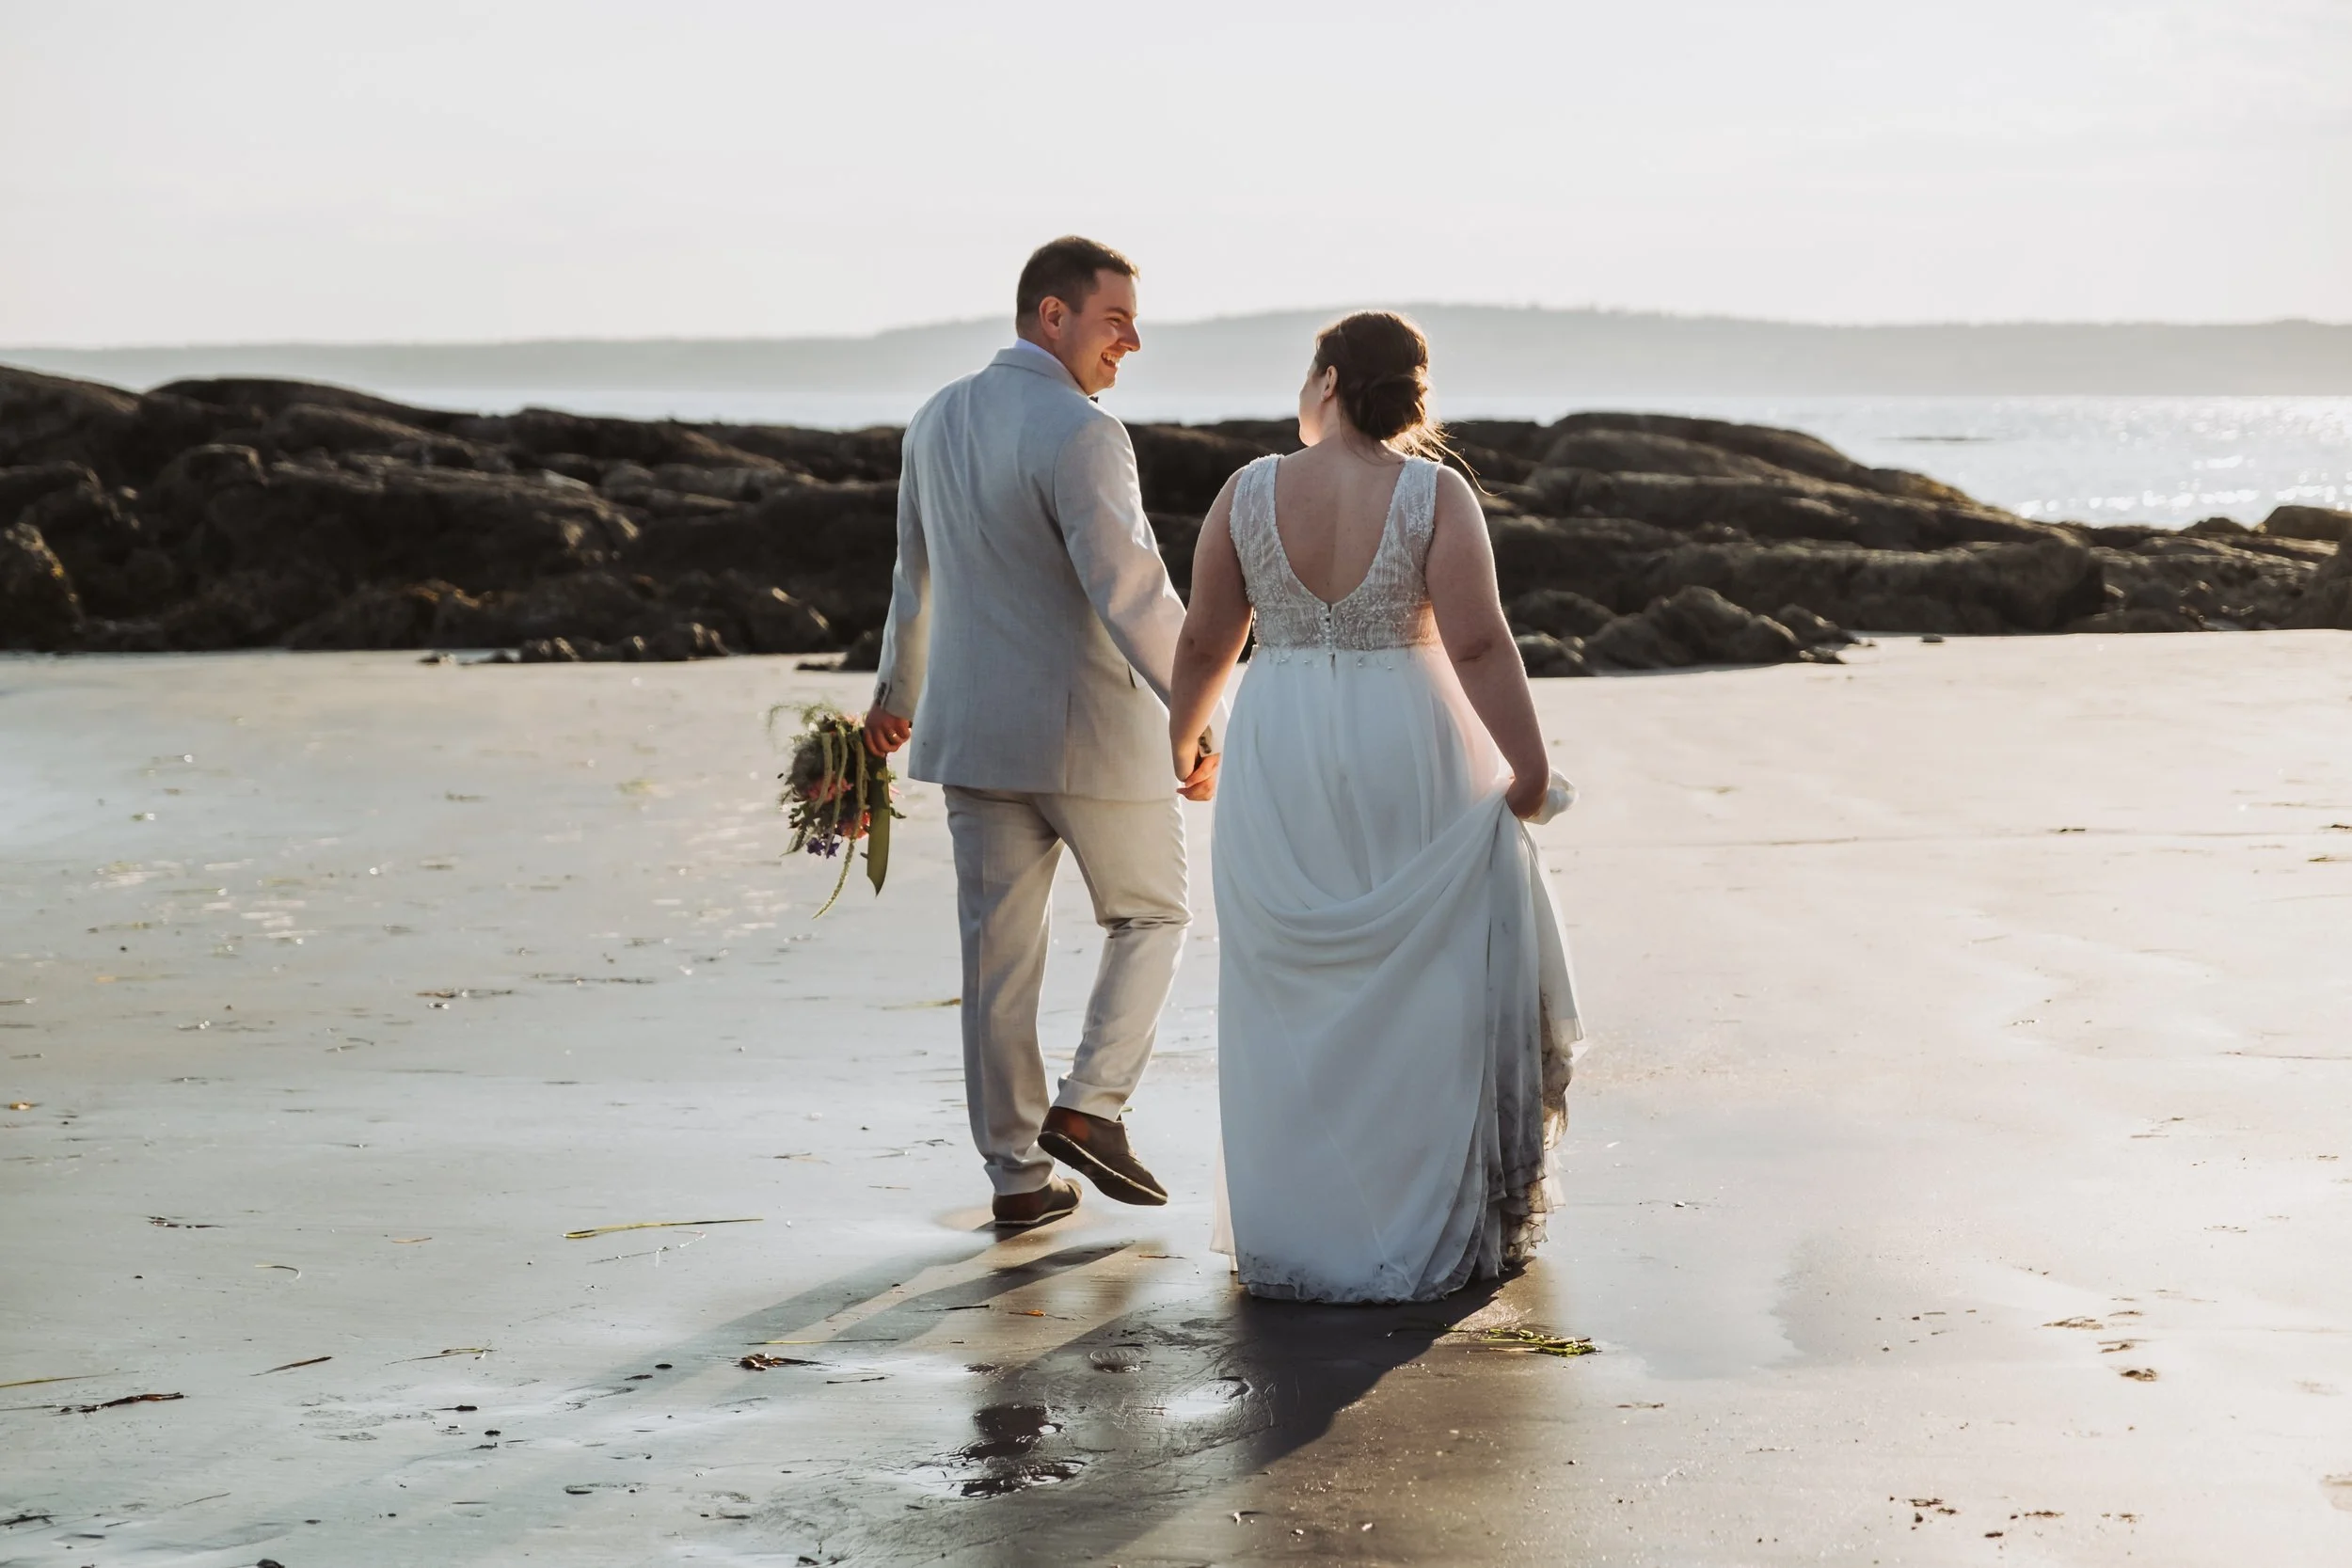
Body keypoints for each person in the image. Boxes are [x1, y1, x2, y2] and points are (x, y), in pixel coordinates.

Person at [1165, 311, 1581, 1303]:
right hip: (1408, 735)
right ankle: (1414, 1221)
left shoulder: (1247, 491)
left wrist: (1182, 738)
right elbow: (1478, 643)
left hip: (1281, 744)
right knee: (1424, 987)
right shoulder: (1435, 493)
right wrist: (1528, 765)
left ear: (1331, 378)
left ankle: (1300, 1226)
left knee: (1286, 991)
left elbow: (1204, 638)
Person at [863, 236, 1222, 1230]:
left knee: (997, 961)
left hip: (971, 737)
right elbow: (1134, 593)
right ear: (1051, 315)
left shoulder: (934, 418)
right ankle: (1092, 1105)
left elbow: (912, 579)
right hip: (1092, 736)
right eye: (1116, 321)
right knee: (1152, 915)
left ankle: (1018, 1179)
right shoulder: (1082, 430)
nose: (1133, 342)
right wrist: (1198, 720)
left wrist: (896, 693)